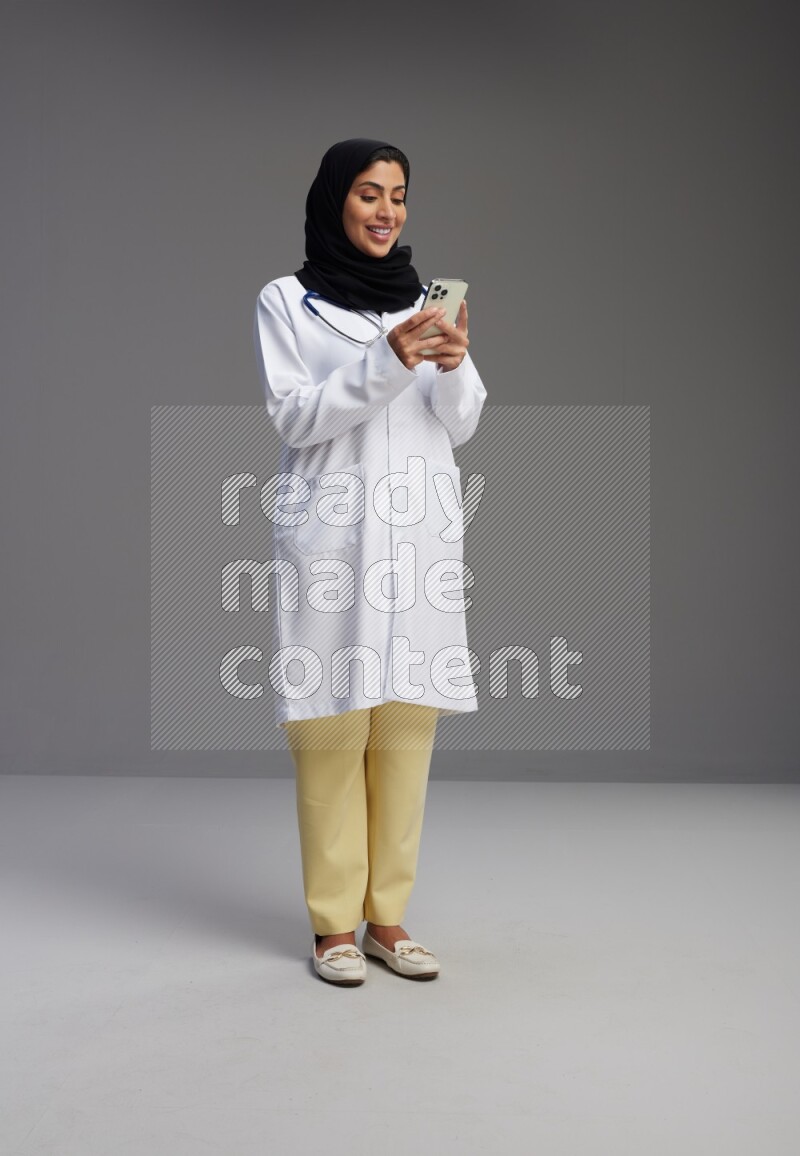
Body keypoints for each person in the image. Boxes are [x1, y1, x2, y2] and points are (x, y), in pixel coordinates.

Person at [253, 138, 487, 985]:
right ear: (332, 201)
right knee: (328, 734)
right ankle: (331, 928)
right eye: (367, 194)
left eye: (398, 195)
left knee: (403, 736)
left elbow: (458, 423)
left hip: (416, 544)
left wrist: (454, 368)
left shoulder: (423, 302)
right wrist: (388, 361)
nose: (386, 211)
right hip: (335, 545)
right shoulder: (288, 301)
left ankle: (387, 919)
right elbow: (295, 417)